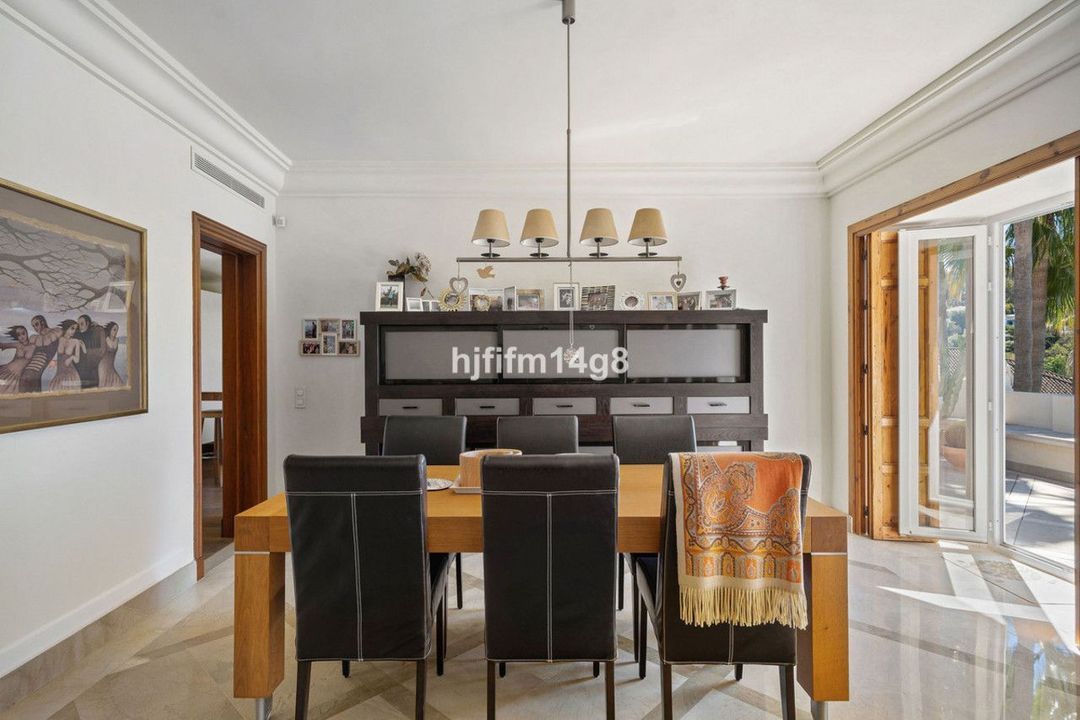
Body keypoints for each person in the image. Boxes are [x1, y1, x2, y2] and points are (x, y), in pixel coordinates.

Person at [18, 315, 63, 393]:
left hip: (37, 372)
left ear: (42, 322)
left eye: (36, 324)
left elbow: (48, 342)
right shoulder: (35, 338)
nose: (35, 328)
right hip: (27, 373)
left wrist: (56, 361)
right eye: (33, 326)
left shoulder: (55, 333)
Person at [49, 320, 84, 392]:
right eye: (72, 328)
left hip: (71, 374)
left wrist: (71, 358)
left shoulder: (75, 341)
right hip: (59, 373)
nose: (74, 331)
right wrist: (53, 361)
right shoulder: (59, 339)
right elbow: (52, 354)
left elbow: (77, 360)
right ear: (66, 328)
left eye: (75, 329)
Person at [0, 325, 35, 394]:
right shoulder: (18, 344)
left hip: (16, 374)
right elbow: (3, 345)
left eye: (23, 333)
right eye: (18, 335)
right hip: (7, 369)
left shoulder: (33, 346)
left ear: (27, 333)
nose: (22, 336)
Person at [74, 313, 106, 388]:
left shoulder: (95, 333)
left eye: (82, 324)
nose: (80, 326)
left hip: (91, 370)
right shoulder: (76, 335)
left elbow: (101, 351)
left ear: (87, 323)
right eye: (78, 324)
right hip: (79, 369)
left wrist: (86, 350)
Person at [97, 321, 124, 388]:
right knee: (104, 385)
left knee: (118, 383)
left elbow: (113, 347)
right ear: (110, 330)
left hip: (111, 366)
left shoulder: (117, 340)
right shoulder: (106, 339)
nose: (116, 332)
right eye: (114, 329)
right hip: (103, 366)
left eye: (117, 330)